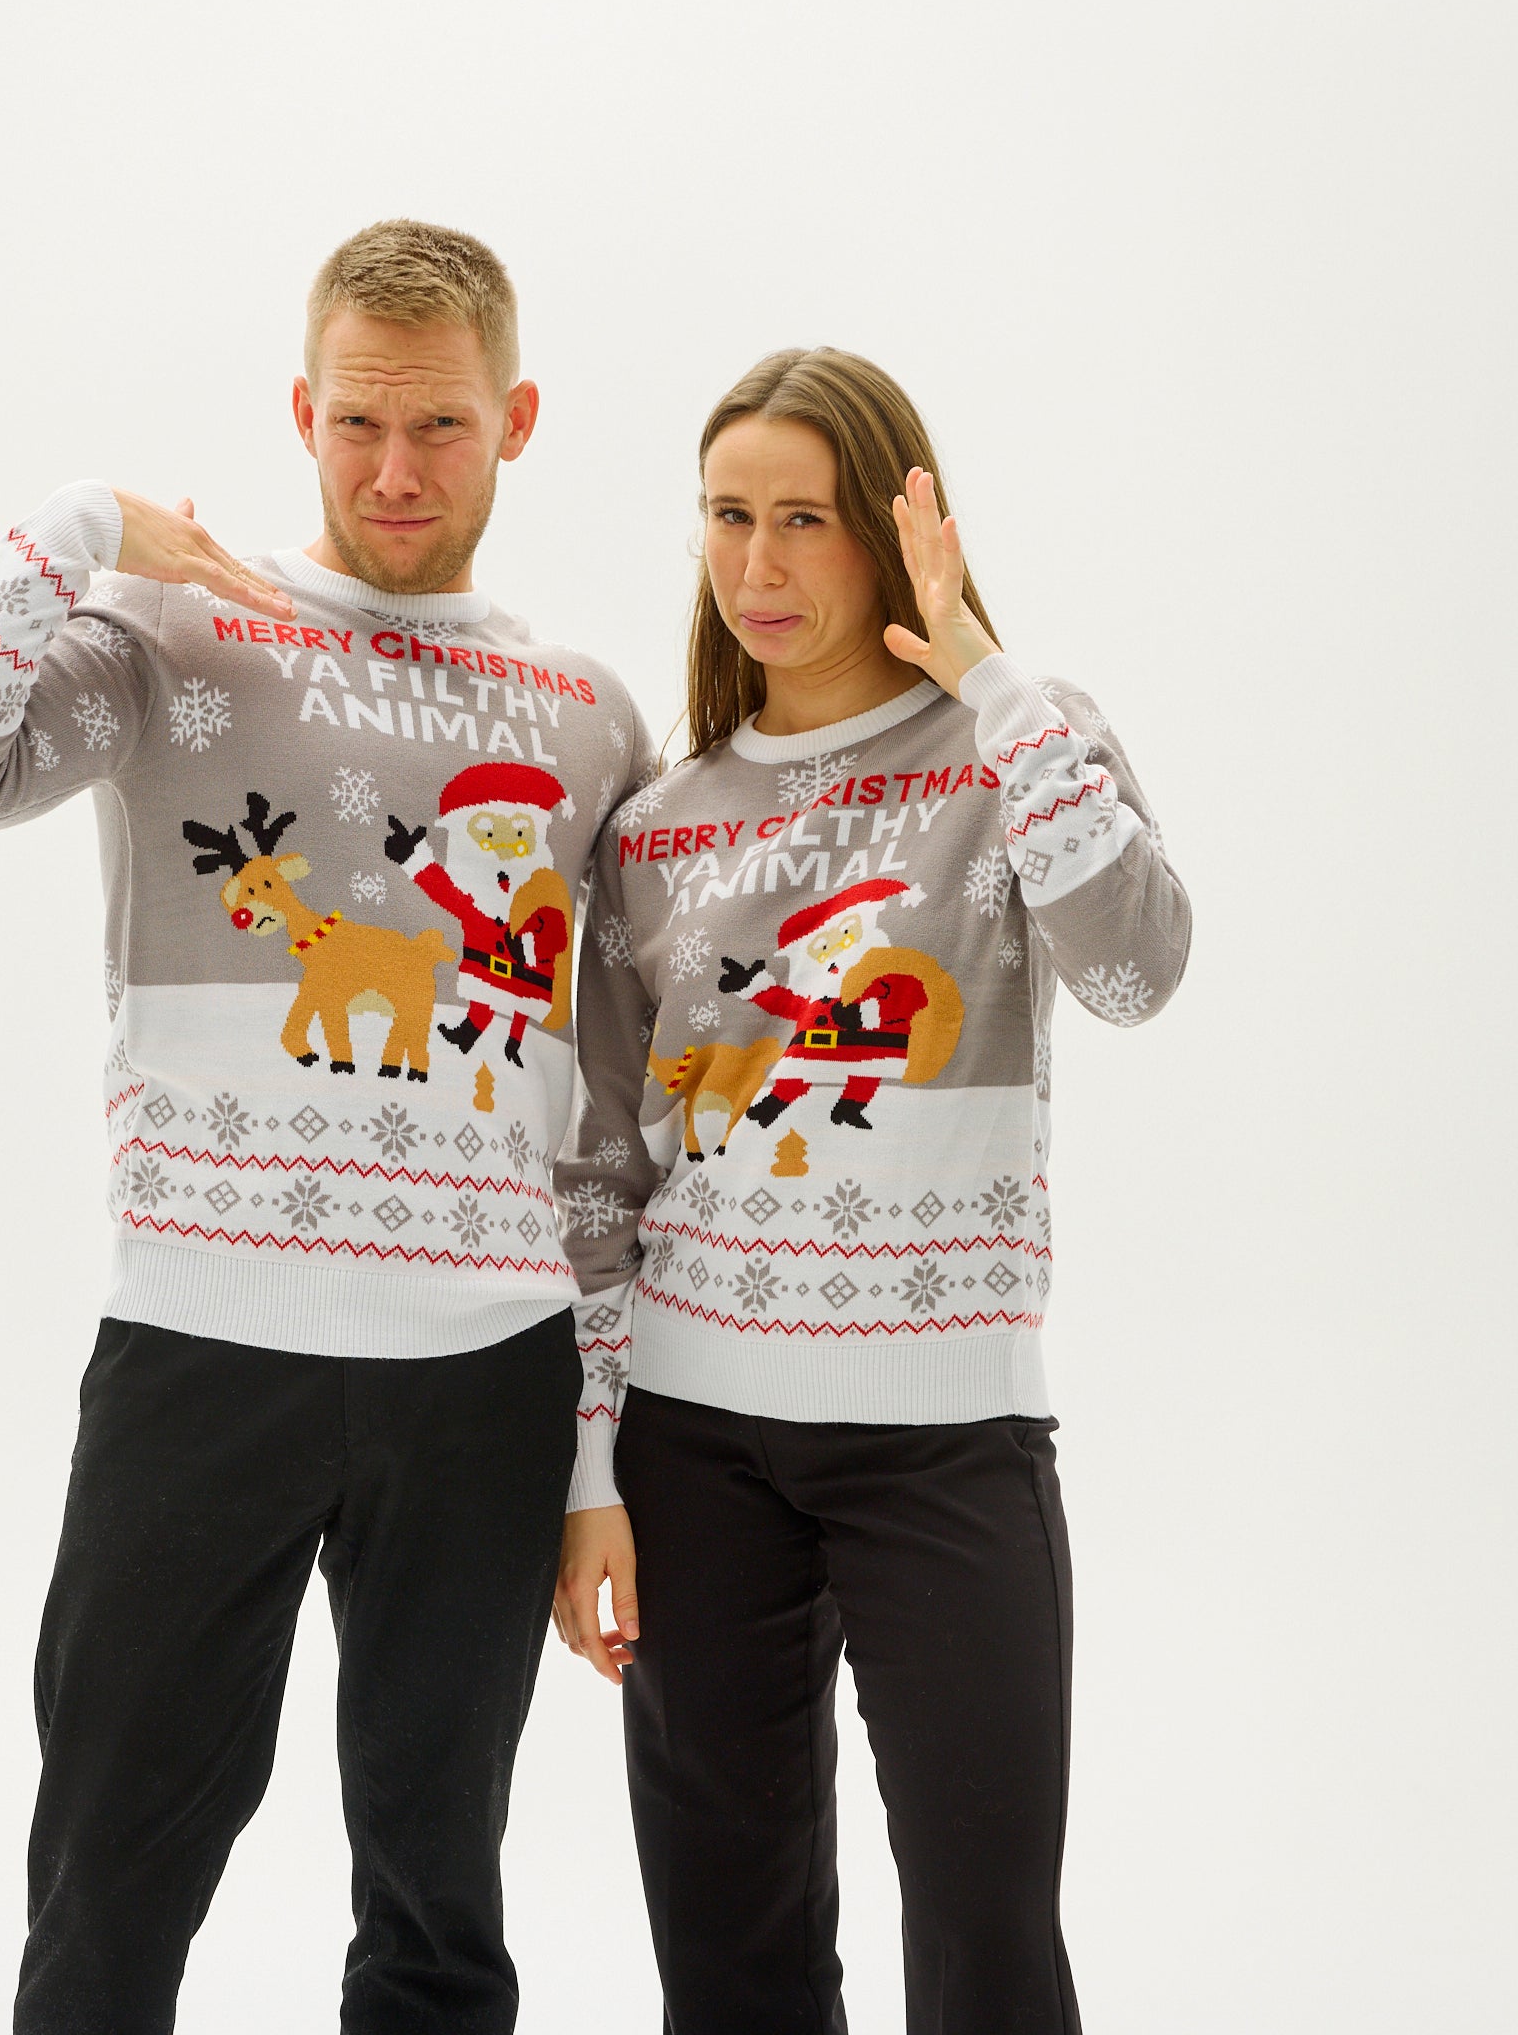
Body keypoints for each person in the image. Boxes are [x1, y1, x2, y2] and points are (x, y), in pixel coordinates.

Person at [0, 219, 653, 2035]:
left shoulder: (592, 719)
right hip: (202, 1355)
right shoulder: (174, 631)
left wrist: (597, 1456)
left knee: (440, 1904)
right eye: (358, 420)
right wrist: (71, 531)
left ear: (518, 420)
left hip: (488, 1380)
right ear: (302, 412)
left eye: (440, 424)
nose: (394, 469)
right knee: (110, 1887)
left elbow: (611, 1120)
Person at [549, 347, 1191, 2034]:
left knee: (988, 1945)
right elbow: (601, 1169)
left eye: (805, 521)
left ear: (898, 535)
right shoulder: (657, 827)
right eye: (728, 517)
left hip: (947, 1435)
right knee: (731, 1957)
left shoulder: (1016, 749)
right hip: (692, 1443)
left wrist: (990, 676)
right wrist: (591, 1466)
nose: (757, 565)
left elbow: (1136, 972)